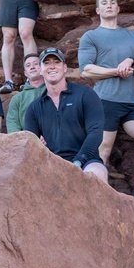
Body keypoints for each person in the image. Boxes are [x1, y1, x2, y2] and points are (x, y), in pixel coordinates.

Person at [79, 0, 134, 202]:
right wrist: (115, 70)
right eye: (104, 3)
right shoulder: (91, 36)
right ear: (98, 10)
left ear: (118, 8)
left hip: (130, 103)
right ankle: (96, 196)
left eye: (113, 3)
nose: (109, 6)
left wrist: (129, 60)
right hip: (104, 101)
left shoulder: (133, 36)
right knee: (103, 150)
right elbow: (85, 70)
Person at [23, 48, 108, 181]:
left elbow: (96, 133)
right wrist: (38, 144)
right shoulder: (34, 108)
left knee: (98, 174)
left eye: (56, 62)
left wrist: (78, 162)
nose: (52, 66)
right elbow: (29, 144)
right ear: (40, 69)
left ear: (64, 68)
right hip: (50, 164)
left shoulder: (86, 95)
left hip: (86, 162)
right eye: (46, 63)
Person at [5, 54, 45, 133]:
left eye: (36, 64)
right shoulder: (18, 98)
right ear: (25, 73)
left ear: (42, 68)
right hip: (26, 142)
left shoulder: (53, 91)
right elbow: (12, 124)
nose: (32, 67)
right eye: (28, 65)